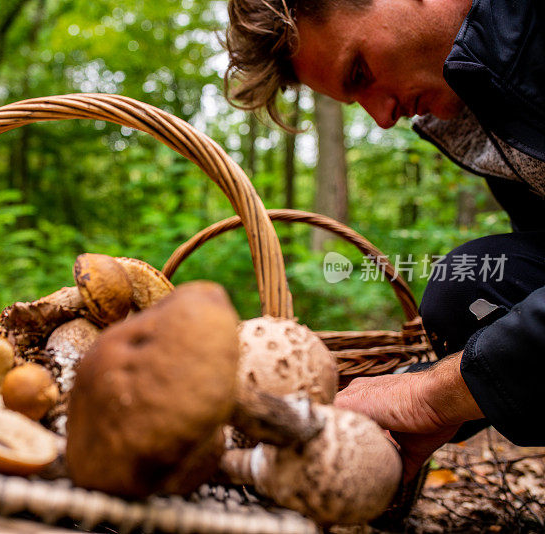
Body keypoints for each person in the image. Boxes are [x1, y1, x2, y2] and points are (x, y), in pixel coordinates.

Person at [224, 0, 545, 484]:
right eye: (354, 99)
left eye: (359, 70)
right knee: (471, 291)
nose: (382, 118)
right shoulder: (485, 107)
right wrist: (417, 394)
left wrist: (433, 394)